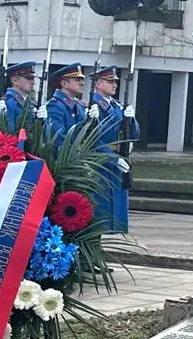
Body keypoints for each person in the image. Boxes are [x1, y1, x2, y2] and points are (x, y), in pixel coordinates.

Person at [90, 64, 138, 232]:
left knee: (117, 204)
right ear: (98, 83)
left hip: (119, 160)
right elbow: (92, 140)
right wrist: (113, 158)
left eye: (115, 82)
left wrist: (131, 120)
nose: (115, 85)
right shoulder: (92, 106)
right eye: (110, 81)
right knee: (101, 206)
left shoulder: (117, 106)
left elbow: (133, 134)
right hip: (101, 163)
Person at [46, 62, 88, 139]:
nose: (82, 83)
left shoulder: (80, 106)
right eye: (77, 80)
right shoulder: (55, 106)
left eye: (82, 79)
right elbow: (58, 138)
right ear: (64, 83)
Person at [3, 61, 41, 132]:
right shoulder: (9, 102)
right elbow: (10, 132)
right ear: (15, 81)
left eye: (33, 78)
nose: (33, 82)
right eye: (29, 78)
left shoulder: (29, 101)